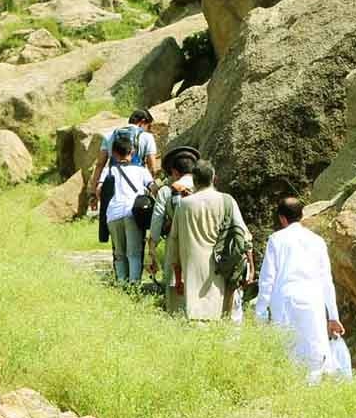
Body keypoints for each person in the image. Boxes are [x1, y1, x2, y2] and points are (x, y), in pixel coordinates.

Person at [254, 196, 346, 378]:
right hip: (312, 299)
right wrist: (333, 317)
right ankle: (314, 388)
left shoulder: (276, 239)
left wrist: (260, 312)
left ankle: (290, 386)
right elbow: (326, 280)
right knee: (315, 348)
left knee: (287, 348)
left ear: (282, 218)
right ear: (302, 215)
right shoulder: (317, 241)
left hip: (284, 299)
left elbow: (267, 279)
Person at [166, 160, 249, 321]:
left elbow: (174, 242)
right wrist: (248, 268)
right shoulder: (227, 201)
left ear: (194, 181)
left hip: (192, 271)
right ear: (214, 178)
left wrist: (178, 278)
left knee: (195, 317)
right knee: (221, 315)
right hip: (222, 267)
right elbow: (243, 236)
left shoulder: (184, 205)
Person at [148, 145, 199, 309]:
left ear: (175, 172)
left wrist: (152, 249)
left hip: (174, 243)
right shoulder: (203, 188)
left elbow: (156, 220)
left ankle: (175, 312)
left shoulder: (166, 191)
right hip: (201, 244)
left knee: (173, 283)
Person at [98, 135, 154, 284]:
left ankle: (122, 283)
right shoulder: (141, 170)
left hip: (113, 215)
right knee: (134, 253)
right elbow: (152, 187)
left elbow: (100, 191)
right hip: (132, 213)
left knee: (119, 254)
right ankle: (134, 284)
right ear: (132, 151)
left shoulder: (109, 171)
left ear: (114, 154)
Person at [83, 108, 160, 215]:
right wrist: (149, 184)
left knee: (110, 225)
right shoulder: (147, 137)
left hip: (112, 191)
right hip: (136, 193)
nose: (149, 130)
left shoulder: (109, 136)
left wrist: (93, 193)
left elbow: (100, 164)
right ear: (142, 122)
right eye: (149, 126)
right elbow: (152, 166)